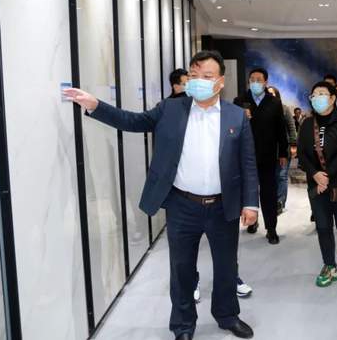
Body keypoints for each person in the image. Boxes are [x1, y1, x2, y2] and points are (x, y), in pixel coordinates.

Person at [63, 51, 257, 340]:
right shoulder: (171, 109)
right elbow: (133, 121)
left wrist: (251, 203)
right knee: (181, 269)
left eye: (206, 76)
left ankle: (227, 315)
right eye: (193, 75)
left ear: (220, 82)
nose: (198, 81)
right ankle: (183, 326)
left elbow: (248, 162)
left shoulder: (236, 116)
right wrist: (95, 106)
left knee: (227, 266)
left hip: (222, 206)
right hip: (182, 205)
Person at [297, 81, 337, 287]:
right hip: (316, 185)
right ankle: (329, 265)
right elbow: (302, 154)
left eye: (322, 94)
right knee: (323, 227)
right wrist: (315, 174)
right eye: (314, 95)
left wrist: (326, 175)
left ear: (332, 98)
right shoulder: (307, 124)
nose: (317, 98)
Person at [234, 68, 288, 245]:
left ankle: (271, 229)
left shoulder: (274, 102)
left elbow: (281, 129)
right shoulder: (240, 101)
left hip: (267, 154)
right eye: (252, 79)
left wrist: (283, 152)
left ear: (265, 82)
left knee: (268, 192)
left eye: (259, 79)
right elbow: (231, 128)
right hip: (245, 155)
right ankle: (252, 221)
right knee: (249, 190)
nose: (255, 82)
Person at [267, 86, 297, 214]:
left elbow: (291, 127)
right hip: (268, 150)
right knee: (271, 177)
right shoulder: (262, 109)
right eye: (267, 93)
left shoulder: (284, 108)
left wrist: (294, 145)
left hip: (283, 148)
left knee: (281, 176)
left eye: (272, 93)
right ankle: (272, 201)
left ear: (277, 95)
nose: (270, 95)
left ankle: (280, 202)